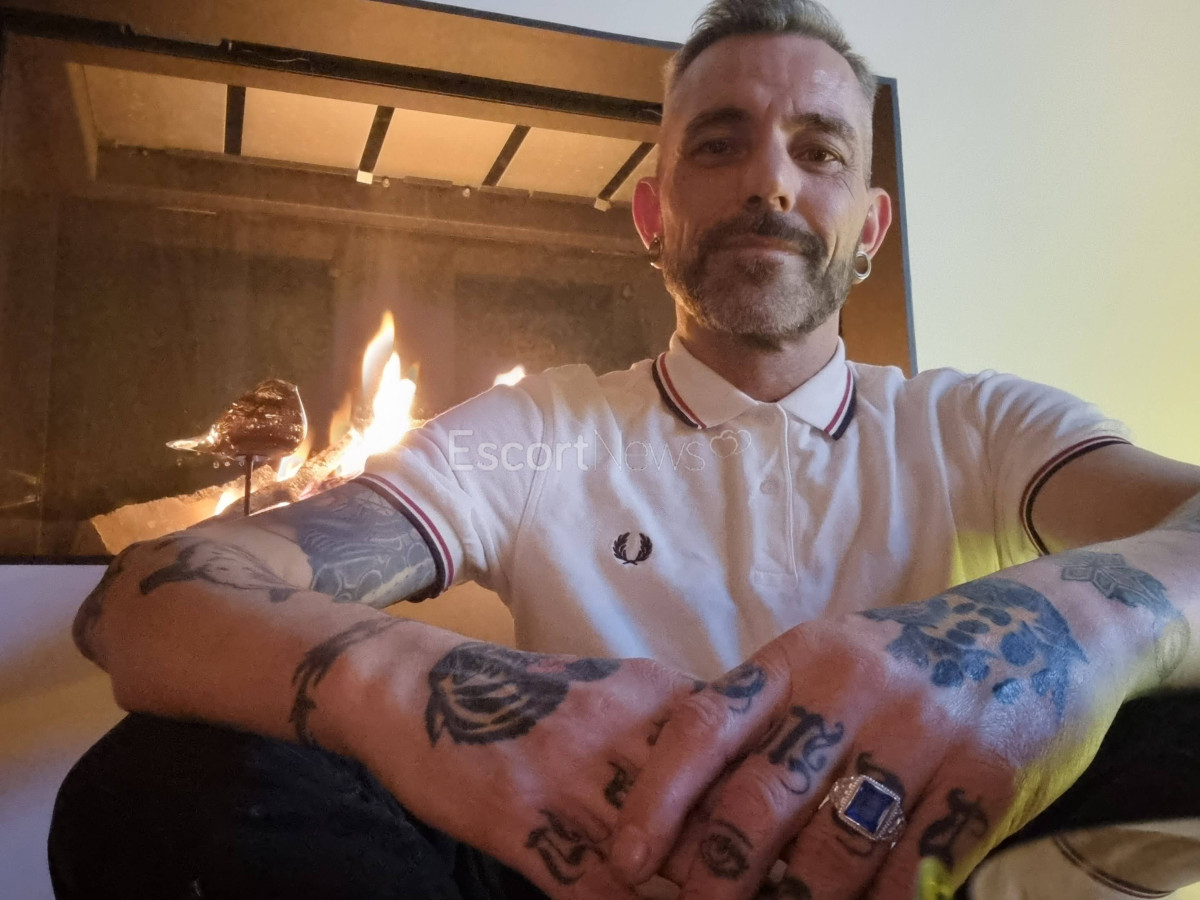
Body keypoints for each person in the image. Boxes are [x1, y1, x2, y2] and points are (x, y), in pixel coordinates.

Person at [49, 1, 1200, 898]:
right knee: (153, 789)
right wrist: (419, 693)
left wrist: (1040, 635)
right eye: (720, 144)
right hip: (586, 869)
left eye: (818, 152)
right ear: (652, 216)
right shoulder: (542, 431)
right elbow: (150, 598)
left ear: (869, 230)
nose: (769, 179)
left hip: (913, 858)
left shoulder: (979, 425)